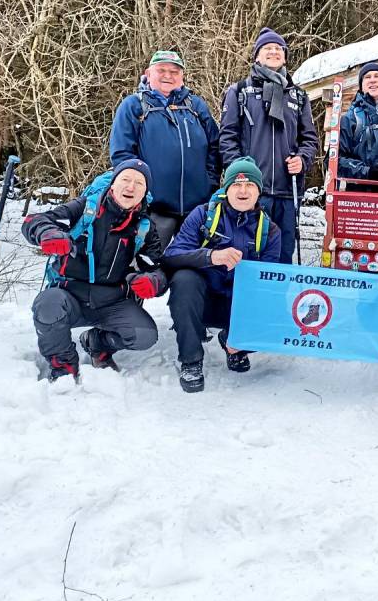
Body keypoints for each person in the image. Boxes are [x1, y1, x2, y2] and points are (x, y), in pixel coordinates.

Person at [22, 159, 167, 381]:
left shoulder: (144, 227)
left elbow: (155, 266)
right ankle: (63, 363)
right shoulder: (85, 209)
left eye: (139, 183)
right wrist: (47, 233)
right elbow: (36, 220)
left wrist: (153, 281)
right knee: (48, 307)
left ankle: (97, 343)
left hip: (113, 301)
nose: (131, 187)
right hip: (68, 295)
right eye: (125, 179)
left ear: (145, 191)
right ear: (113, 183)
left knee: (144, 335)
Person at [163, 158, 282, 392]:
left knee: (276, 313)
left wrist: (245, 333)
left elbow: (267, 286)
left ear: (259, 191)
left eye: (250, 185)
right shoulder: (202, 215)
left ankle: (234, 342)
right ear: (226, 189)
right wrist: (210, 257)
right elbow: (172, 256)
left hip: (237, 305)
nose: (243, 191)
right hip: (202, 300)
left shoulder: (270, 231)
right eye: (236, 185)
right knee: (184, 280)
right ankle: (191, 361)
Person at [219, 28, 319, 264]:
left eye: (278, 49)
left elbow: (310, 139)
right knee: (246, 256)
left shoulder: (299, 96)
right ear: (257, 56)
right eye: (267, 48)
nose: (273, 51)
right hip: (250, 192)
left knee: (282, 258)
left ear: (284, 56)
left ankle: (279, 301)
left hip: (287, 192)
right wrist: (239, 173)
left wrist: (303, 160)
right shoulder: (239, 91)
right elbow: (227, 137)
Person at [110, 49, 221, 248]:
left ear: (182, 77)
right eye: (161, 70)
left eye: (174, 71)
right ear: (148, 73)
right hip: (153, 209)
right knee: (146, 266)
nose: (168, 76)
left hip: (196, 210)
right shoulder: (134, 106)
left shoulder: (196, 106)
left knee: (191, 271)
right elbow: (122, 155)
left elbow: (215, 146)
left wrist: (209, 182)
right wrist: (138, 191)